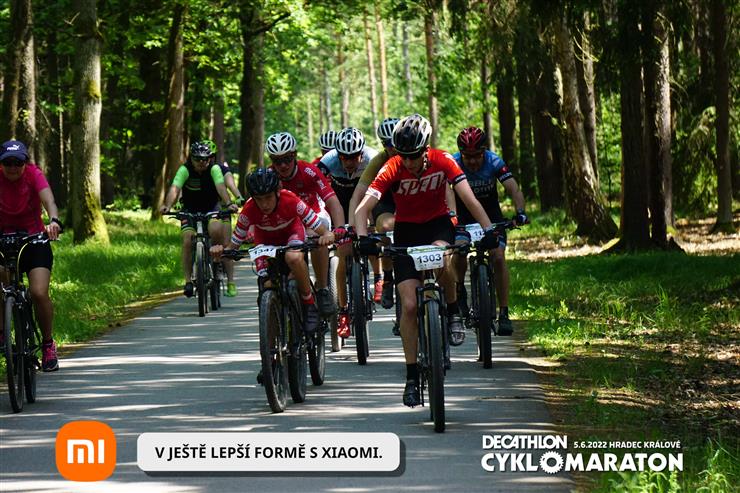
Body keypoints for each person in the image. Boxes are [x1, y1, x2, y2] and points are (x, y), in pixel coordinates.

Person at [354, 115, 499, 407]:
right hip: (406, 232)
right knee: (409, 306)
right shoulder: (392, 166)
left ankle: (453, 309)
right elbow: (362, 208)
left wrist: (489, 230)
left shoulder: (442, 160)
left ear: (425, 149)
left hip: (437, 226)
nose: (408, 162)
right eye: (404, 156)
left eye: (414, 155)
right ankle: (411, 376)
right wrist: (362, 237)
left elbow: (470, 199)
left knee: (443, 257)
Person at [211, 168, 335, 336]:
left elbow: (319, 227)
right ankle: (271, 337)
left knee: (293, 258)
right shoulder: (249, 209)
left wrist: (327, 235)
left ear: (277, 192)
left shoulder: (291, 200)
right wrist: (220, 251)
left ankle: (309, 304)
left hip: (292, 233)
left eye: (268, 197)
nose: (264, 204)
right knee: (267, 282)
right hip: (265, 240)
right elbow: (233, 246)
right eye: (259, 199)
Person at [452, 127, 527, 336]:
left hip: (492, 217)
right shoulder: (454, 163)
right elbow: (444, 193)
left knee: (498, 257)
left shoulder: (494, 161)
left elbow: (513, 188)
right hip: (464, 218)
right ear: (461, 153)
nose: (473, 161)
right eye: (468, 157)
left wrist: (520, 212)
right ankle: (459, 288)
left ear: (484, 151)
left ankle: (504, 312)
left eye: (477, 156)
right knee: (459, 251)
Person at [265, 131, 343, 318]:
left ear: (295, 155)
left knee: (317, 237)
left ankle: (322, 289)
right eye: (277, 161)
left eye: (287, 159)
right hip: (285, 223)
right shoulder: (268, 176)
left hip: (313, 218)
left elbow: (332, 201)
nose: (283, 165)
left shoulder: (309, 171)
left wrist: (339, 228)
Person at [0, 140, 63, 372]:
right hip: (3, 241)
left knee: (38, 292)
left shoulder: (34, 174)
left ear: (25, 163)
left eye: (18, 162)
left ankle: (48, 344)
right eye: (8, 162)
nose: (13, 167)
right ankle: (3, 336)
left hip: (34, 240)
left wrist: (53, 221)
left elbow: (49, 201)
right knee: (1, 286)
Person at [317, 127, 379, 338]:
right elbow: (316, 189)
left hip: (366, 199)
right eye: (344, 157)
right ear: (338, 154)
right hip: (340, 202)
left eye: (353, 157)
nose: (349, 162)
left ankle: (379, 277)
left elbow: (383, 190)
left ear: (361, 153)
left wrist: (373, 222)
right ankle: (343, 310)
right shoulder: (328, 161)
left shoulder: (372, 158)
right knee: (343, 254)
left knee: (371, 237)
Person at [159, 140, 238, 297]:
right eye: (197, 159)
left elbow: (221, 187)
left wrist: (229, 203)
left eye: (205, 159)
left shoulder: (214, 169)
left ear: (210, 159)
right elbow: (175, 188)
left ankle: (216, 262)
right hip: (190, 210)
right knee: (187, 240)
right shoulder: (185, 169)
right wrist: (167, 205)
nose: (202, 162)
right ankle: (188, 281)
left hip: (211, 209)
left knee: (216, 230)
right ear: (191, 158)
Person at [348, 118, 400, 309]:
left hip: (409, 201)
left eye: (394, 142)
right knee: (385, 229)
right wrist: (353, 228)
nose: (392, 148)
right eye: (387, 144)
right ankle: (387, 277)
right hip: (385, 202)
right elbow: (357, 197)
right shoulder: (378, 161)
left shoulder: (415, 156)